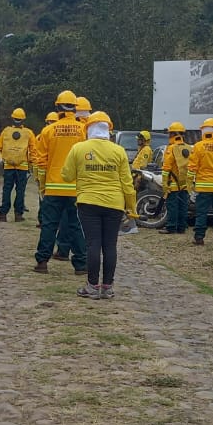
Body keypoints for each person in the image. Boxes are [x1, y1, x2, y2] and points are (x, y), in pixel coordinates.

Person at [62, 111, 136, 298]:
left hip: (88, 203)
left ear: (88, 128)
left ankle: (92, 286)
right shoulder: (119, 151)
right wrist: (132, 208)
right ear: (108, 130)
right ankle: (107, 287)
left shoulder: (78, 148)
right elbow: (127, 184)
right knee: (110, 245)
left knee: (92, 244)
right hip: (115, 204)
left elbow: (67, 176)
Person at [32, 90, 88, 275]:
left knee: (49, 225)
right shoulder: (83, 130)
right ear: (75, 108)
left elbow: (41, 162)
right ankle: (81, 264)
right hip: (76, 189)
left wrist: (42, 185)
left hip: (53, 187)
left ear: (57, 108)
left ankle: (42, 262)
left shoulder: (48, 131)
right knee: (76, 226)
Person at [0, 107, 36, 222]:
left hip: (8, 166)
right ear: (23, 120)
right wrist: (32, 164)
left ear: (12, 118)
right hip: (22, 167)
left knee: (7, 190)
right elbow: (33, 150)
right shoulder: (28, 133)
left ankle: (3, 214)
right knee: (20, 191)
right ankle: (18, 215)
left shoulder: (6, 131)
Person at [159, 122, 192, 235]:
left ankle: (171, 227)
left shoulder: (171, 148)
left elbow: (166, 168)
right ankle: (181, 227)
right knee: (183, 206)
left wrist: (165, 184)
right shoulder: (188, 148)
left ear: (173, 134)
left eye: (170, 133)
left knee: (172, 206)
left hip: (173, 184)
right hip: (185, 184)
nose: (169, 136)